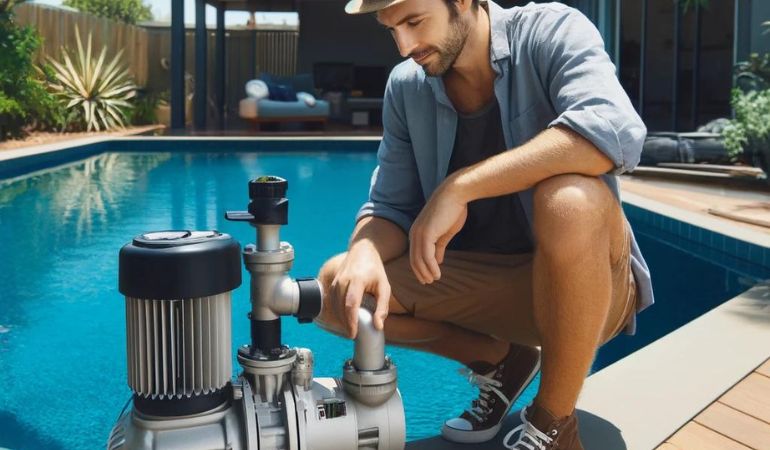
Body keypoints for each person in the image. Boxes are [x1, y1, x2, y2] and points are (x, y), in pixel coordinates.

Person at [315, 0, 654, 448]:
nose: (404, 46)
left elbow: (613, 131)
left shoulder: (551, 32)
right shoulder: (407, 87)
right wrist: (364, 252)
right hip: (495, 290)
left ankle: (553, 426)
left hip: (591, 291)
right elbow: (389, 207)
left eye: (414, 22)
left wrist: (461, 186)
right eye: (390, 28)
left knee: (569, 200)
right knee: (335, 289)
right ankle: (500, 361)